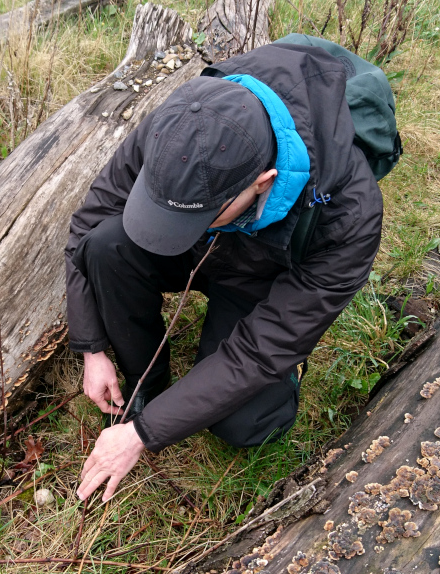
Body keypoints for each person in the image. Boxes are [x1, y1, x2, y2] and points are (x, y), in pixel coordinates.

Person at [65, 38, 385, 503]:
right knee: (106, 245)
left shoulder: (348, 215)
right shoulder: (181, 124)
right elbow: (88, 226)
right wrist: (92, 347)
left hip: (262, 277)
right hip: (206, 250)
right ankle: (146, 385)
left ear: (263, 184)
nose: (170, 227)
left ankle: (276, 386)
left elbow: (257, 352)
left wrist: (145, 435)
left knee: (246, 421)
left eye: (197, 215)